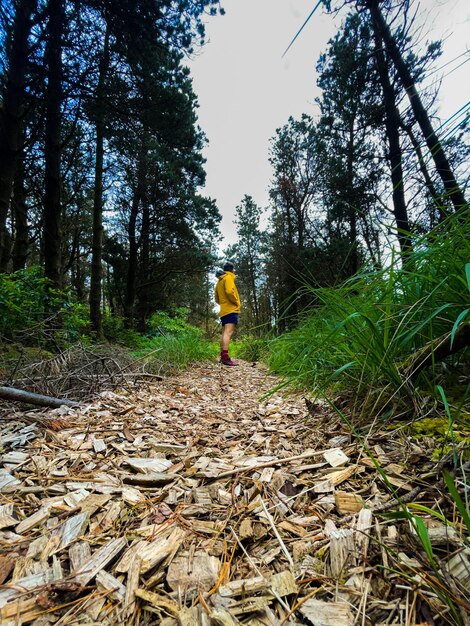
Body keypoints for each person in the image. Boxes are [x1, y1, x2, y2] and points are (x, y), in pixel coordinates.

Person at [214, 262, 240, 366]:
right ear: (232, 270)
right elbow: (230, 292)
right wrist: (236, 302)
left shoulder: (219, 281)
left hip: (224, 310)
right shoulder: (228, 278)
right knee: (228, 333)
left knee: (225, 332)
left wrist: (223, 303)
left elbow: (216, 298)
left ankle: (223, 356)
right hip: (231, 309)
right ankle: (225, 358)